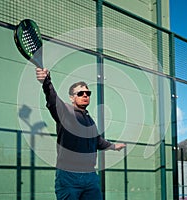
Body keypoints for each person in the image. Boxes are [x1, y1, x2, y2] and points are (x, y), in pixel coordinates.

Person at [35, 67, 126, 200]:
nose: (85, 95)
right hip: (69, 177)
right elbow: (53, 100)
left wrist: (113, 146)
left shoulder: (90, 121)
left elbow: (97, 141)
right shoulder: (65, 112)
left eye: (87, 93)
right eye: (80, 93)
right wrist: (46, 82)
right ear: (72, 98)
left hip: (90, 177)